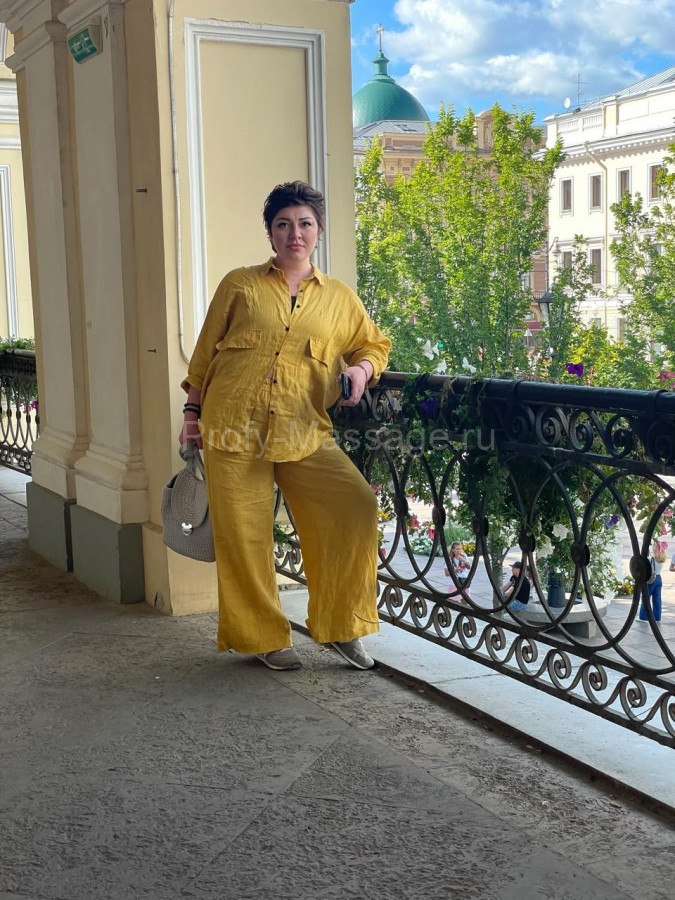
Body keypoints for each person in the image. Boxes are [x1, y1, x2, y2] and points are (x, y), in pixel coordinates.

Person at [179, 181, 391, 672]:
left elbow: (373, 345)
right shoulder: (239, 284)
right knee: (245, 536)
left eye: (305, 224)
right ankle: (264, 637)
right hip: (232, 425)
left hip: (304, 428)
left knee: (356, 504)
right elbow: (205, 354)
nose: (295, 233)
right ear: (270, 232)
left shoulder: (340, 298)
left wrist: (361, 371)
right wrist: (191, 415)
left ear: (319, 231)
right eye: (284, 224)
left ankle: (342, 626)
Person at [640, 541, 665, 622]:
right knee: (657, 599)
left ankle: (643, 617)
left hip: (651, 579)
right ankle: (657, 617)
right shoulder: (662, 559)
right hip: (659, 578)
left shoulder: (651, 559)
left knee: (645, 598)